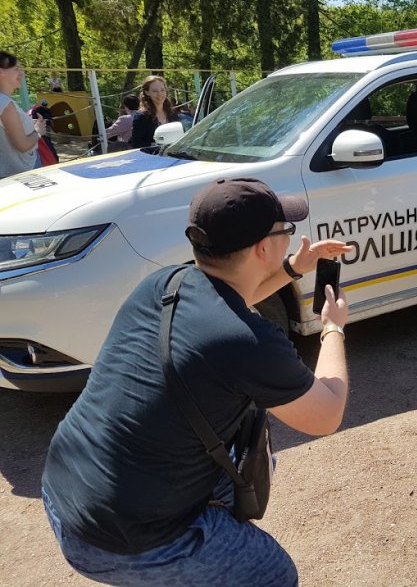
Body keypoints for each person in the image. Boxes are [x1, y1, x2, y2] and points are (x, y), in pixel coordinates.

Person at [42, 177, 354, 586]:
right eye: (285, 232)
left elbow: (233, 296)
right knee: (273, 574)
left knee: (252, 462)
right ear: (264, 248)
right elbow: (327, 413)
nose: (288, 238)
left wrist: (296, 266)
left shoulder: (167, 282)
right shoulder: (248, 341)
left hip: (67, 491)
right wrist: (333, 329)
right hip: (122, 539)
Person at [0, 51, 46, 179]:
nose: (21, 73)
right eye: (16, 69)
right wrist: (38, 131)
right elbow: (23, 145)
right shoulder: (5, 104)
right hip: (23, 174)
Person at [129, 75, 179, 148]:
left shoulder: (172, 113)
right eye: (155, 91)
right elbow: (137, 144)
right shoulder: (142, 116)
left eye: (162, 90)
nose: (160, 94)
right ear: (147, 92)